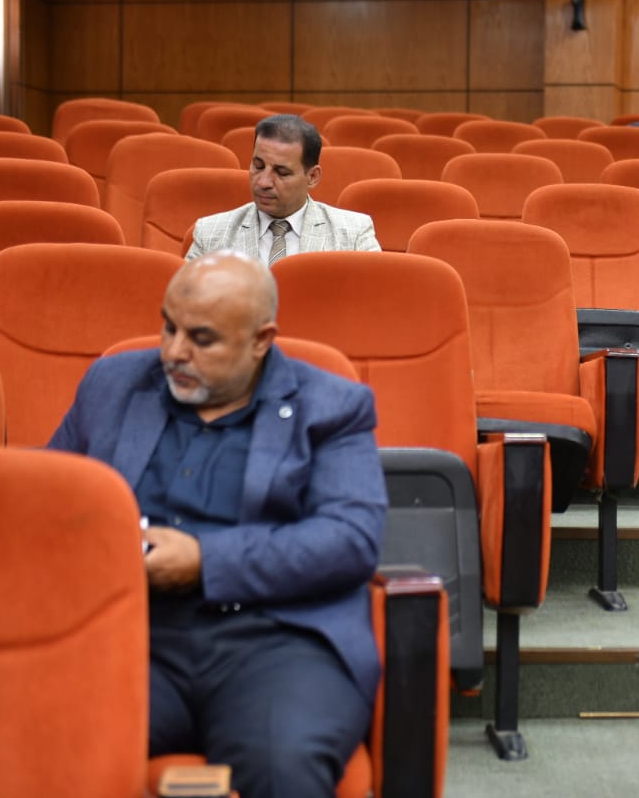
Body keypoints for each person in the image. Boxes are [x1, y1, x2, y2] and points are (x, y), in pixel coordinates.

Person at [47, 251, 387, 795]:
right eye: (169, 327)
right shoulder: (113, 385)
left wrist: (205, 562)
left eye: (201, 339)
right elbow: (46, 506)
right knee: (47, 736)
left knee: (282, 763)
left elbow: (349, 540)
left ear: (260, 340)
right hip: (131, 634)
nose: (174, 352)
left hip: (277, 640)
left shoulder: (331, 406)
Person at [187, 114, 379, 263]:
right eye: (258, 166)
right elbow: (186, 300)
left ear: (312, 177)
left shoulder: (353, 234)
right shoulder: (210, 233)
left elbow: (375, 298)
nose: (263, 182)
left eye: (282, 173)